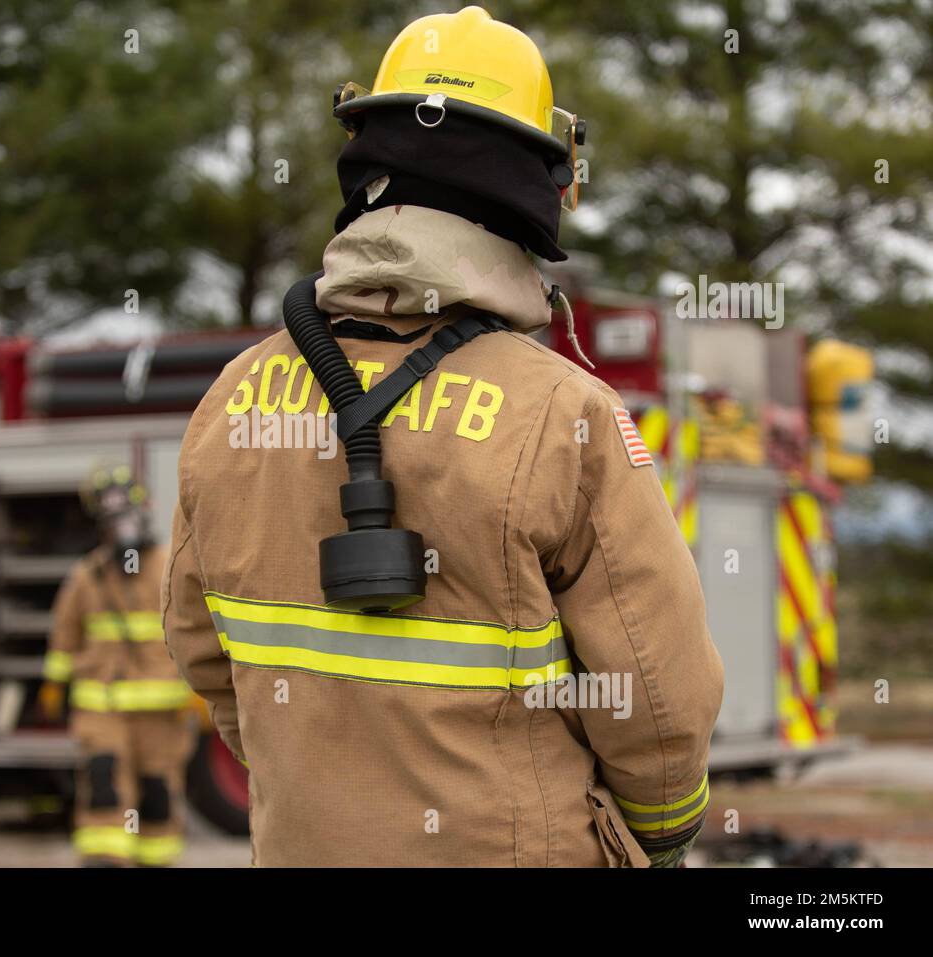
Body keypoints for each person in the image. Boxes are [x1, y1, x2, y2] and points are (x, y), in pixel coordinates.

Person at [162, 6, 724, 867]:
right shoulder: (563, 414)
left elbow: (203, 647)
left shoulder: (235, 398)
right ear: (542, 181)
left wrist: (326, 780)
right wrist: (664, 832)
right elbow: (657, 694)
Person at [38, 465, 194, 866]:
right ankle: (104, 859)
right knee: (104, 785)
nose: (123, 530)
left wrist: (201, 691)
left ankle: (156, 859)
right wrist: (54, 685)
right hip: (101, 707)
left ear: (144, 513)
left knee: (157, 793)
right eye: (112, 522)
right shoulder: (88, 576)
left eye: (127, 518)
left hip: (160, 713)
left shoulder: (171, 569)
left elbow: (196, 631)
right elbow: (65, 633)